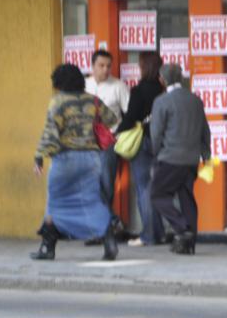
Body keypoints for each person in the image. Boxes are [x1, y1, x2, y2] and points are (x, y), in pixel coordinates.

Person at [31, 64, 119, 261]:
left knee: (55, 203)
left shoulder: (58, 102)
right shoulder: (92, 100)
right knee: (92, 200)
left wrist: (39, 156)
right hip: (91, 160)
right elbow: (112, 119)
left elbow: (51, 131)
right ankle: (108, 238)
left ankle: (48, 248)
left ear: (59, 82)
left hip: (66, 159)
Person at [149, 63, 211, 255]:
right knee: (186, 197)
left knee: (157, 195)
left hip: (170, 158)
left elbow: (156, 134)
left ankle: (183, 229)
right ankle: (189, 242)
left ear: (162, 79)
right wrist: (205, 155)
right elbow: (205, 130)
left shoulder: (162, 101)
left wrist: (156, 154)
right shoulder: (195, 100)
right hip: (192, 159)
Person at [117, 51, 166, 247]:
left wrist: (117, 132)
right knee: (156, 188)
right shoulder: (163, 90)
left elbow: (131, 118)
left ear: (143, 67)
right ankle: (159, 233)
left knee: (144, 188)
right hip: (161, 142)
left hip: (143, 142)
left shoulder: (138, 91)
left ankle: (148, 235)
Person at [84, 49, 129, 218]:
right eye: (101, 65)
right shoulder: (83, 86)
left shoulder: (118, 86)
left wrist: (117, 134)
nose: (105, 69)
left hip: (108, 143)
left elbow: (129, 114)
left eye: (108, 66)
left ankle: (102, 226)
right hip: (85, 143)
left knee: (106, 183)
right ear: (92, 66)